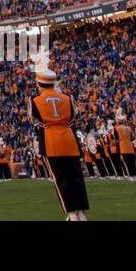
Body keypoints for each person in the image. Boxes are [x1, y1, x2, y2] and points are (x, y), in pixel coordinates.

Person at [29, 51, 89, 221]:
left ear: (39, 83)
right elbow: (74, 116)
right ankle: (82, 213)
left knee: (61, 178)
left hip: (50, 141)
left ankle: (71, 214)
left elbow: (33, 118)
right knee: (76, 176)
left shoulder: (35, 100)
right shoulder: (67, 98)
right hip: (69, 139)